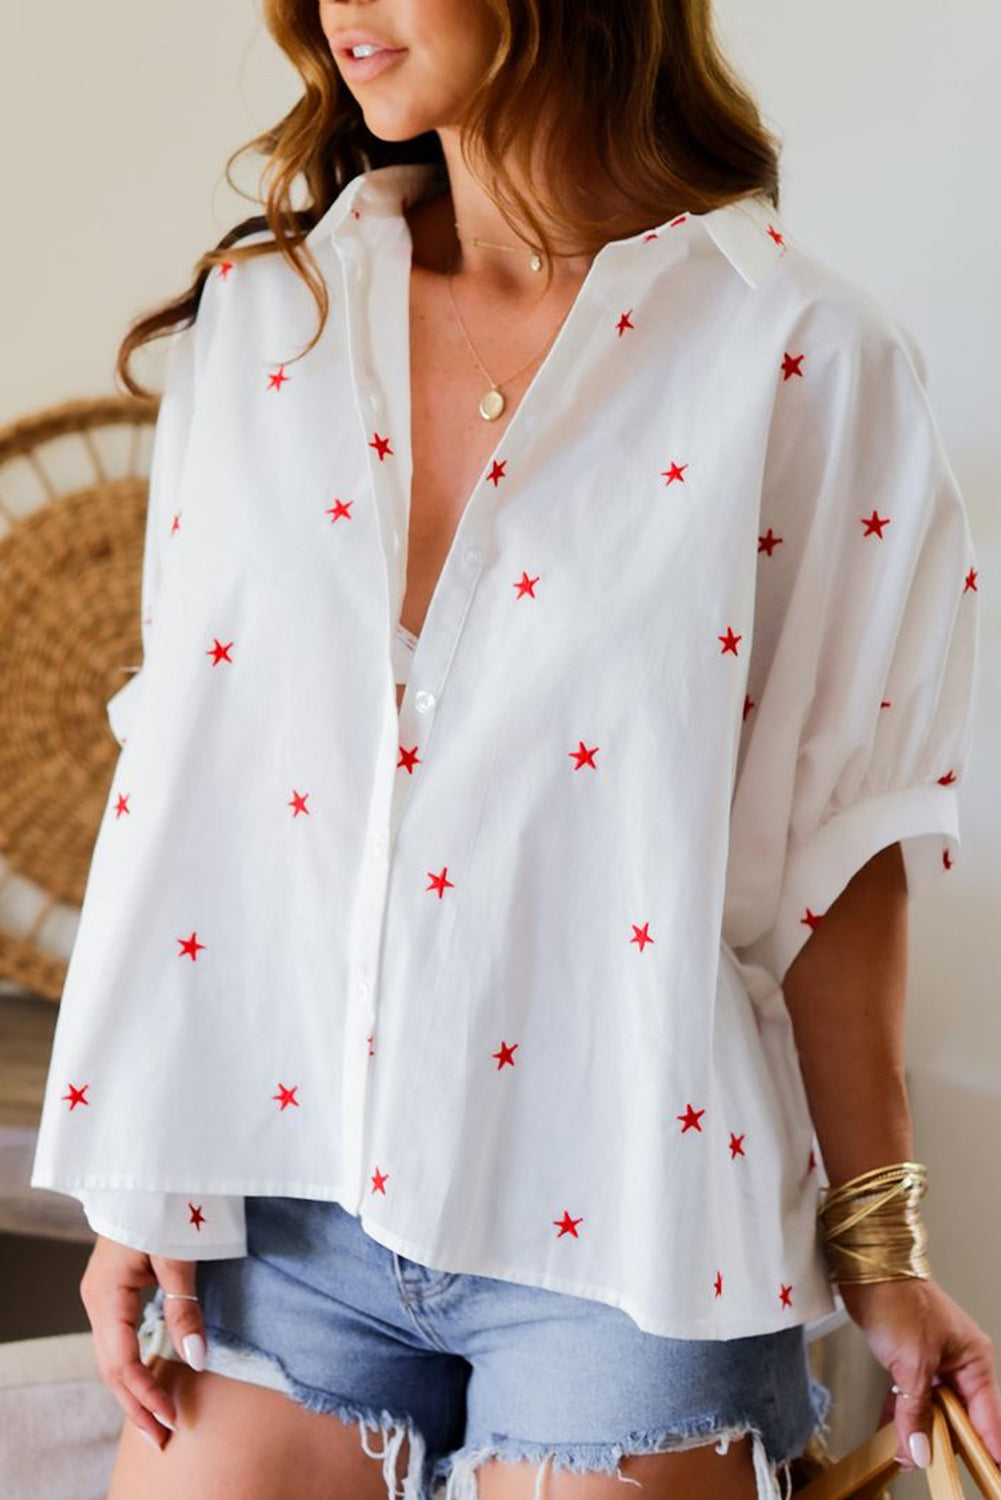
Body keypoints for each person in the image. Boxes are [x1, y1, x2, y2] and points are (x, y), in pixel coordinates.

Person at [28, 1, 1000, 1498]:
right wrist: (132, 1176)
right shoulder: (267, 315)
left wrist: (883, 1249)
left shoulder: (804, 358)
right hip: (279, 1198)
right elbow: (187, 774)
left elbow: (843, 849)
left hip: (633, 1223)